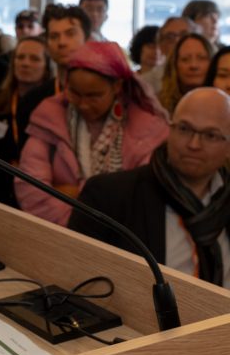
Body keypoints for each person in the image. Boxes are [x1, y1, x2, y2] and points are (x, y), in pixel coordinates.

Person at [70, 88, 230, 288]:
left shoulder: (225, 198)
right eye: (184, 129)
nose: (194, 144)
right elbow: (78, 281)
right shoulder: (108, 195)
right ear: (169, 130)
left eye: (210, 135)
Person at [17, 41, 169, 226]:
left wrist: (74, 192)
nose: (83, 104)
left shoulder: (148, 129)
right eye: (75, 93)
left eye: (93, 96)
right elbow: (31, 189)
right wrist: (79, 228)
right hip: (56, 235)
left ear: (117, 86)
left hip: (121, 242)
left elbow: (143, 198)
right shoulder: (49, 118)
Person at [0, 36, 54, 206]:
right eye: (20, 57)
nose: (25, 63)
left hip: (40, 187)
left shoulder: (53, 106)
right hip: (2, 189)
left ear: (47, 67)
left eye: (34, 59)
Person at [158, 32, 212, 115]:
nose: (193, 65)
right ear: (174, 65)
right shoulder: (157, 106)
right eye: (185, 59)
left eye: (201, 58)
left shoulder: (225, 104)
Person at [139, 16, 195, 95]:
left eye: (184, 35)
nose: (177, 41)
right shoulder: (146, 84)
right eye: (170, 37)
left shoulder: (209, 73)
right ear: (161, 46)